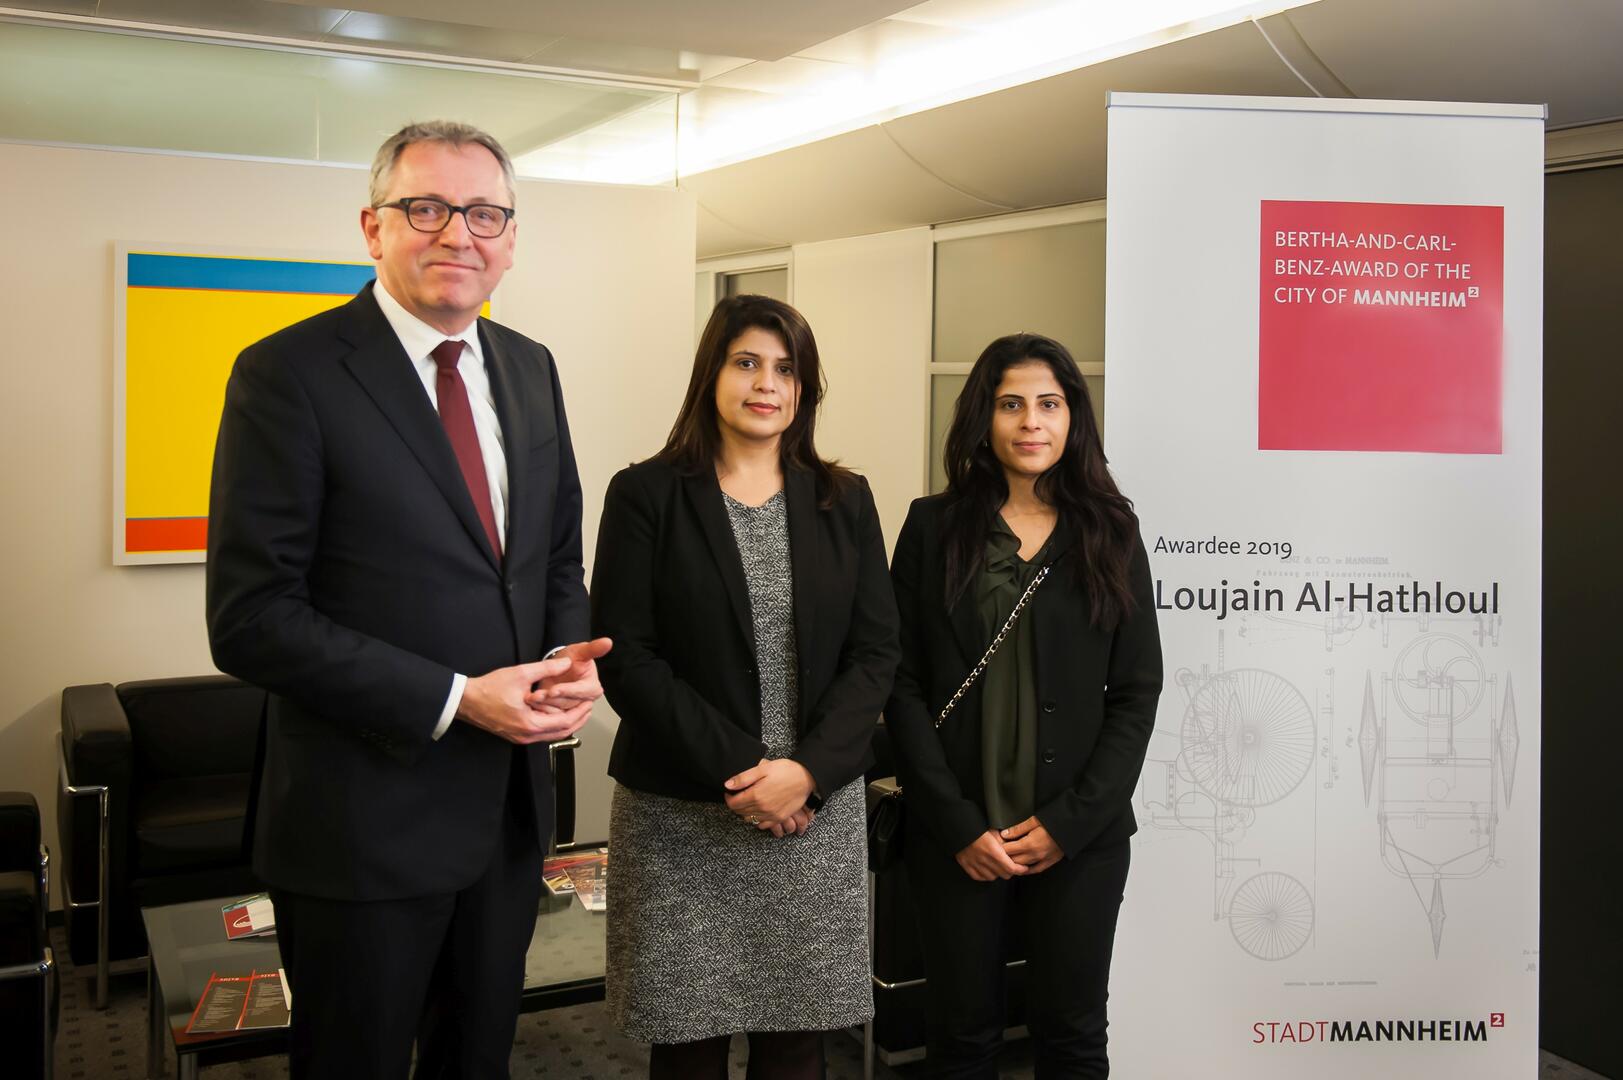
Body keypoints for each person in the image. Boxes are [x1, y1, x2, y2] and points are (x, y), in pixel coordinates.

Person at [205, 120, 611, 1079]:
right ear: (373, 227)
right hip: (361, 826)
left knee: (479, 1064)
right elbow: (251, 618)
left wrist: (567, 661)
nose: (457, 234)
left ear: (509, 239)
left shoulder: (530, 366)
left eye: (483, 214)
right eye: (425, 208)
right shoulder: (288, 373)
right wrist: (456, 698)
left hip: (505, 820)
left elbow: (554, 557)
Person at [590, 295, 900, 1078]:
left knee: (797, 1040)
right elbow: (628, 658)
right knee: (686, 1040)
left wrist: (805, 774)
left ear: (804, 388)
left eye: (786, 369)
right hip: (682, 814)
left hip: (813, 811)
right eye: (747, 363)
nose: (767, 384)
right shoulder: (645, 494)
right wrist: (748, 773)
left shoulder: (844, 499)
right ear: (712, 374)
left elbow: (875, 653)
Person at [885, 333, 1162, 1078]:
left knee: (1071, 1035)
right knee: (961, 1038)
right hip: (958, 831)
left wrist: (1072, 822)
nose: (1031, 421)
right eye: (1010, 404)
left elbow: (1137, 690)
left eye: (1049, 404)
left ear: (1073, 418)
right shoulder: (932, 525)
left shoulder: (1111, 531)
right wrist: (953, 821)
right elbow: (900, 681)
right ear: (983, 417)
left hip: (1078, 835)